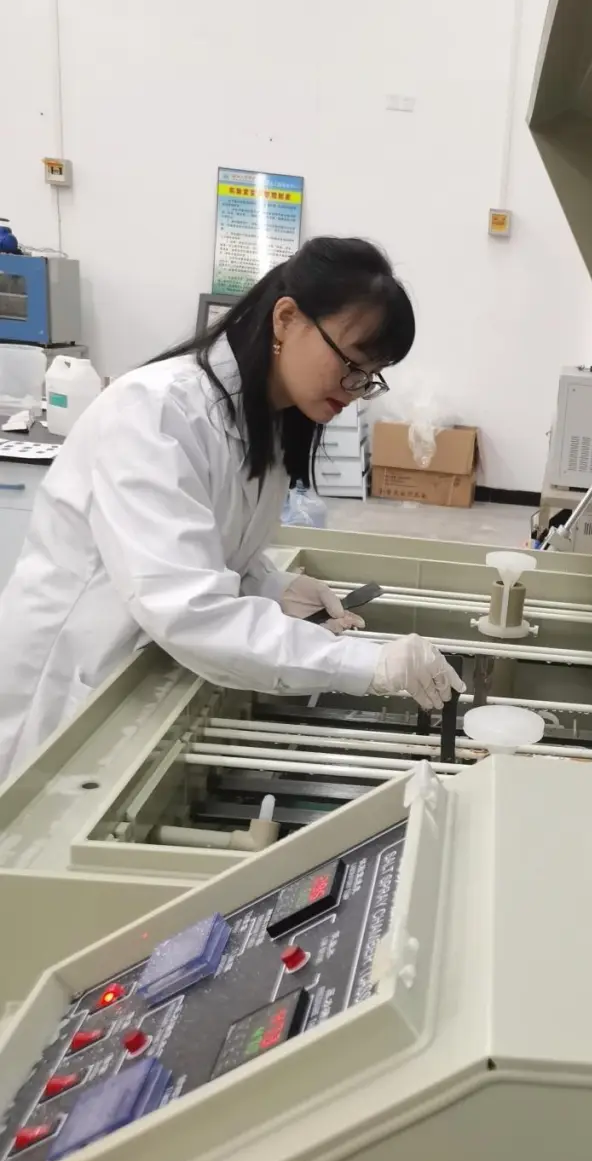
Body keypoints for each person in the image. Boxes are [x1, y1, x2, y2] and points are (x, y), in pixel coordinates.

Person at [0, 236, 463, 783]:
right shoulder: (154, 412)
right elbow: (187, 607)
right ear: (286, 319)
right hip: (66, 681)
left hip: (136, 667)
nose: (356, 389)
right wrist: (368, 664)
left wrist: (270, 585)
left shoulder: (267, 420)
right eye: (351, 364)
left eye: (370, 376)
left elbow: (211, 548)